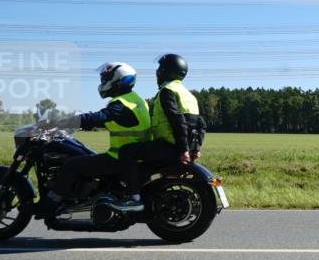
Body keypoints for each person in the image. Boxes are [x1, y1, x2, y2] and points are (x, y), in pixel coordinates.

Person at [38, 62, 151, 215]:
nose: (103, 83)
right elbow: (112, 122)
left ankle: (50, 205)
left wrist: (64, 122)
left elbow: (99, 117)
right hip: (134, 155)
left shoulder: (121, 104)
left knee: (72, 165)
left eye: (105, 79)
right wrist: (82, 125)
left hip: (120, 158)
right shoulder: (135, 100)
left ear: (118, 80)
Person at [116, 53, 205, 212]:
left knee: (126, 152)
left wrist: (184, 149)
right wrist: (195, 148)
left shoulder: (167, 91)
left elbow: (176, 120)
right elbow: (200, 124)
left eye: (160, 68)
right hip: (181, 147)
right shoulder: (189, 95)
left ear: (165, 71)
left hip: (169, 146)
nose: (158, 72)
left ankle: (133, 198)